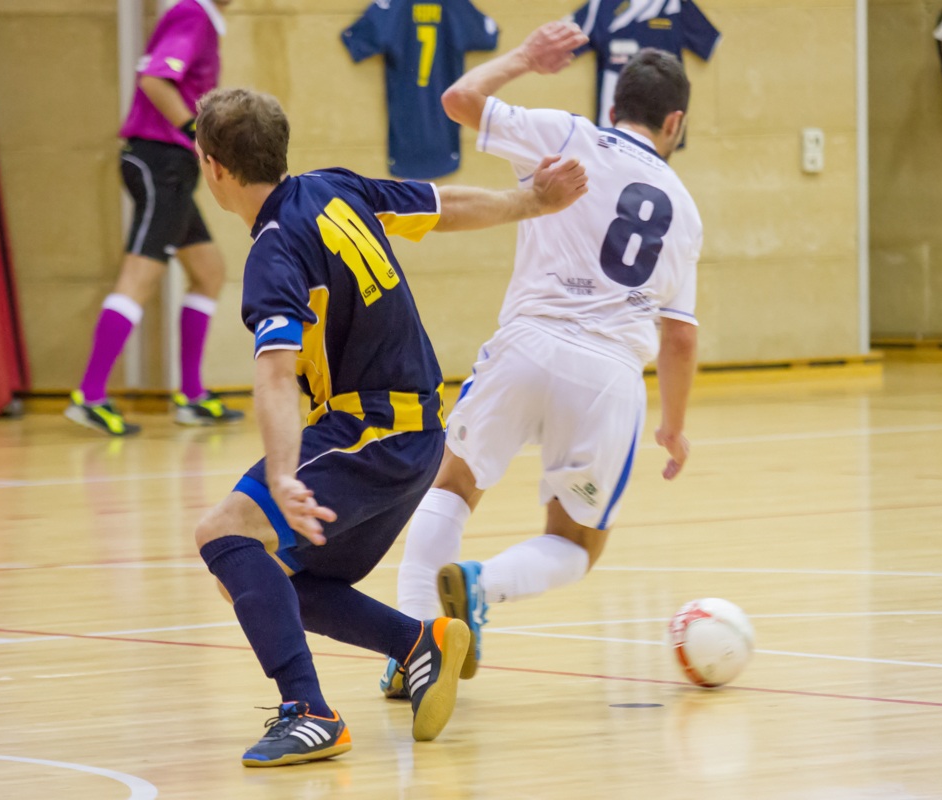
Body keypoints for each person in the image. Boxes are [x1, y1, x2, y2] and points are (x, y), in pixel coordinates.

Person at [191, 87, 587, 767]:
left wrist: (283, 473)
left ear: (213, 167)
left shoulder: (274, 254)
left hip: (370, 432)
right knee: (259, 571)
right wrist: (529, 202)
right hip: (415, 435)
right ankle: (417, 644)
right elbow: (440, 205)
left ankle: (309, 711)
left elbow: (276, 372)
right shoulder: (333, 189)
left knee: (224, 535)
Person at [383, 23, 703, 696]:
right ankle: (481, 584)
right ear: (674, 121)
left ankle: (411, 651)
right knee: (575, 544)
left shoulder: (568, 134)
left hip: (526, 346)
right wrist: (673, 426)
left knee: (451, 487)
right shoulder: (685, 210)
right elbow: (679, 337)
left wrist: (525, 59)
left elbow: (459, 99)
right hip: (608, 379)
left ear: (615, 105)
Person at [66, 0, 242, 436]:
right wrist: (199, 134)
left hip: (174, 170)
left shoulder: (205, 22)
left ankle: (191, 395)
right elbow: (155, 81)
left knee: (209, 272)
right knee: (139, 277)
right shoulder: (192, 14)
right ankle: (89, 396)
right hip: (158, 163)